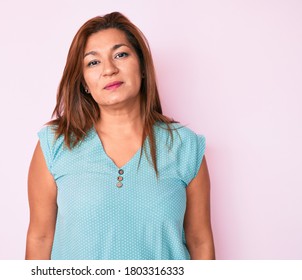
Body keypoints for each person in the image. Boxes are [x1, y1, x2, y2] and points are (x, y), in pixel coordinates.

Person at [25, 11, 215, 260]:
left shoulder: (185, 147)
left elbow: (200, 241)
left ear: (142, 66)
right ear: (83, 82)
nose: (109, 70)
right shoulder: (55, 144)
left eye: (120, 54)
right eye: (93, 62)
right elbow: (40, 238)